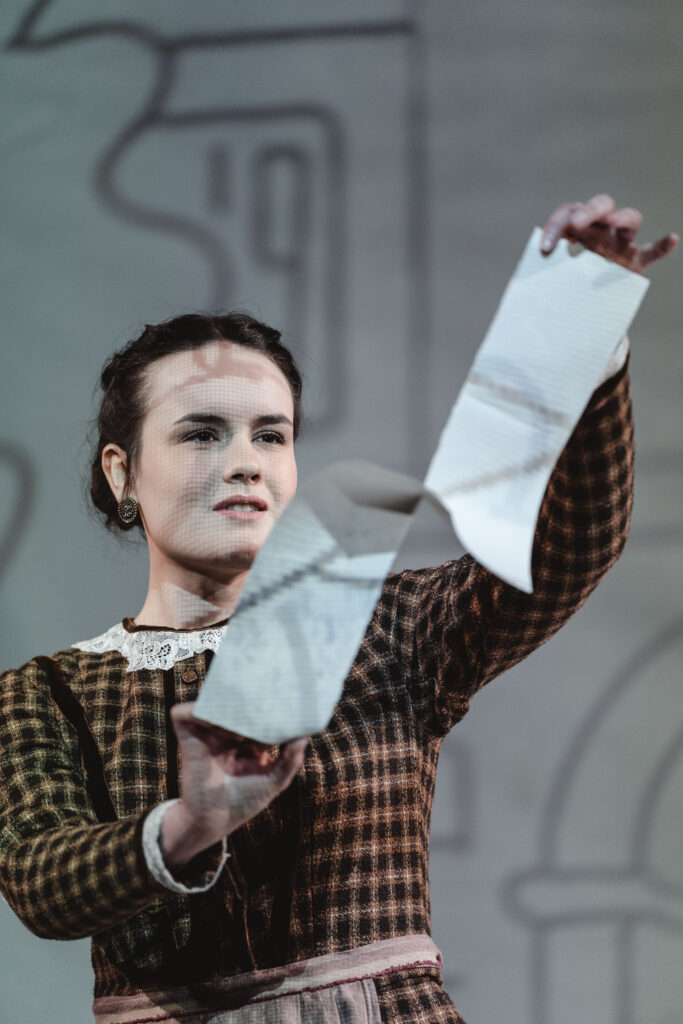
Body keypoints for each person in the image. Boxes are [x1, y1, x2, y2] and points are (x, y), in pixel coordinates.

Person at [0, 196, 677, 1024]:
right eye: (202, 434)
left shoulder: (379, 625)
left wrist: (579, 325)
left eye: (270, 435)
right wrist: (190, 824)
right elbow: (40, 879)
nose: (246, 462)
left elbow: (567, 549)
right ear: (121, 472)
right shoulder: (48, 692)